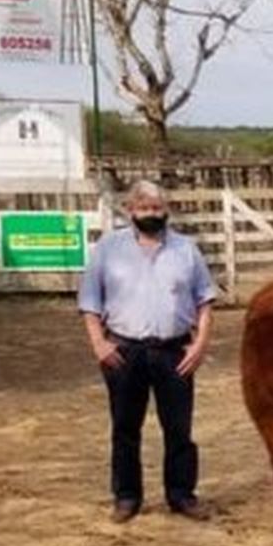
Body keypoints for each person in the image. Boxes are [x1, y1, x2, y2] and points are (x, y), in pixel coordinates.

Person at [78, 180, 218, 523]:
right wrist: (98, 342)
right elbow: (90, 301)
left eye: (156, 208)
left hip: (174, 351)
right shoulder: (108, 249)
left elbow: (205, 299)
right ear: (130, 211)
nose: (151, 214)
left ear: (166, 210)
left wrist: (200, 344)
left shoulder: (186, 249)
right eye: (144, 209)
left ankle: (182, 494)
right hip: (124, 351)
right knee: (125, 427)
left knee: (179, 429)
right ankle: (126, 497)